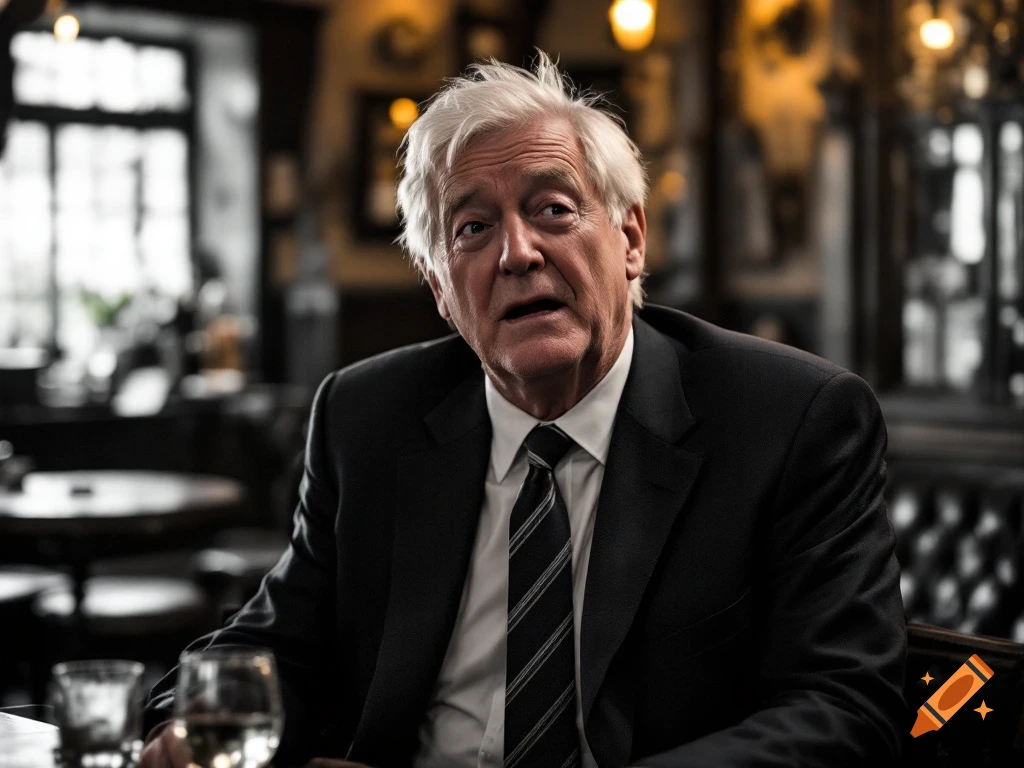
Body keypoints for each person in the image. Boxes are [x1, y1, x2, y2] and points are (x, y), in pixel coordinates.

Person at [141, 52, 906, 768]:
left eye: (553, 209)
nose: (517, 253)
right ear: (442, 289)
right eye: (472, 229)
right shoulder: (368, 417)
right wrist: (184, 722)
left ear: (631, 239)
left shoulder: (790, 419)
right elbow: (276, 645)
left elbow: (844, 705)